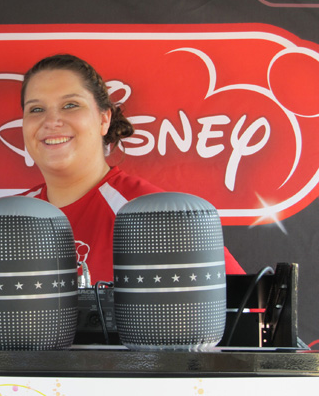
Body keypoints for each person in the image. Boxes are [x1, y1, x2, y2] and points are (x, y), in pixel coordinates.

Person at [19, 54, 244, 283]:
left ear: (104, 119)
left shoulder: (154, 216)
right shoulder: (4, 220)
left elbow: (244, 308)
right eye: (36, 109)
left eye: (70, 105)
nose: (51, 121)